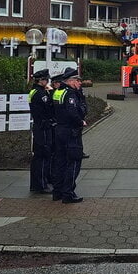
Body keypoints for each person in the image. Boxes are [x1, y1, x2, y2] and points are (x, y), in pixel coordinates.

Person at [51, 67, 87, 204]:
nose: (79, 83)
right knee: (74, 161)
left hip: (59, 130)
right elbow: (73, 111)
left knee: (60, 162)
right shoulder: (71, 94)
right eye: (77, 81)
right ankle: (68, 193)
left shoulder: (58, 92)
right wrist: (80, 121)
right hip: (71, 132)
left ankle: (57, 192)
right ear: (71, 81)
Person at [27, 68, 54, 193]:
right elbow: (48, 108)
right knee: (43, 155)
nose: (47, 82)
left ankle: (36, 184)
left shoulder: (34, 91)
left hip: (39, 126)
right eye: (46, 79)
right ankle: (41, 185)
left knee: (38, 156)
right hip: (43, 127)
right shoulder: (41, 94)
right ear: (41, 80)